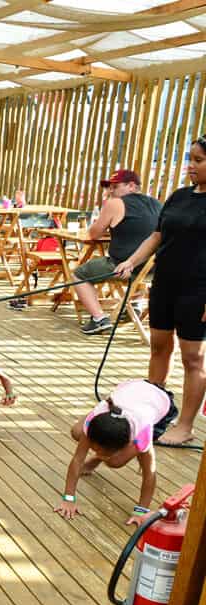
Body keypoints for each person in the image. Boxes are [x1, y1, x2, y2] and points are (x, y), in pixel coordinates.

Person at [116, 136, 206, 446]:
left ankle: (185, 425)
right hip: (165, 284)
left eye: (199, 160)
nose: (191, 166)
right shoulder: (179, 196)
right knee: (158, 348)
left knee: (193, 358)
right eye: (190, 159)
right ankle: (155, 410)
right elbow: (157, 236)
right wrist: (131, 261)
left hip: (198, 289)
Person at [55, 380, 175, 525]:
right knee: (77, 432)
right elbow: (77, 459)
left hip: (160, 400)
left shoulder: (142, 433)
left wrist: (141, 511)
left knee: (116, 462)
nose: (94, 450)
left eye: (101, 451)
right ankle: (99, 458)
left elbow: (150, 473)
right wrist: (68, 498)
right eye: (94, 448)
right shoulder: (95, 422)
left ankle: (101, 458)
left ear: (126, 445)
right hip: (135, 389)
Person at [73, 170, 161, 334]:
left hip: (124, 267)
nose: (110, 191)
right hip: (155, 269)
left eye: (115, 187)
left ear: (132, 186)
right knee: (138, 269)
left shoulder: (115, 203)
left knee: (79, 274)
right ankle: (135, 304)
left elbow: (93, 234)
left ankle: (99, 319)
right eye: (109, 187)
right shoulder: (156, 203)